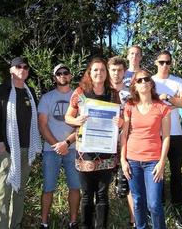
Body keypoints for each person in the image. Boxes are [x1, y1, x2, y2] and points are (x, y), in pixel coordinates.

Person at [65, 57, 124, 229]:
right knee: (86, 194)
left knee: (103, 194)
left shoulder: (113, 94)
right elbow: (68, 117)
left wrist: (120, 124)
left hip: (106, 151)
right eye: (95, 70)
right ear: (89, 73)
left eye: (102, 70)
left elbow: (121, 120)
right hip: (86, 152)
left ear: (107, 73)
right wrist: (78, 121)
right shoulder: (80, 93)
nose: (99, 73)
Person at [0, 57, 41, 229]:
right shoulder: (1, 90)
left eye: (26, 67)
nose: (23, 69)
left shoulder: (30, 92)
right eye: (19, 66)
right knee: (3, 191)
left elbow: (34, 120)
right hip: (7, 149)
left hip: (26, 148)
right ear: (11, 70)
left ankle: (15, 225)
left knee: (19, 191)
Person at [120, 69, 171, 229]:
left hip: (153, 162)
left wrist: (162, 163)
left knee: (155, 204)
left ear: (151, 83)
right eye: (139, 80)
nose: (143, 82)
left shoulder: (162, 107)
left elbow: (167, 137)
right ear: (134, 85)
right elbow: (124, 134)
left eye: (146, 79)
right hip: (132, 161)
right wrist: (123, 160)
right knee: (137, 201)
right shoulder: (129, 106)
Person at [38, 64, 80, 229]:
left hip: (74, 148)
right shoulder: (47, 98)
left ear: (70, 76)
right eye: (59, 73)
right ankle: (44, 223)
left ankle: (73, 221)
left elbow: (81, 127)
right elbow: (42, 125)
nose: (63, 75)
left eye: (66, 72)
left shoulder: (78, 98)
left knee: (75, 186)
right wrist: (57, 145)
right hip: (51, 150)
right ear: (54, 78)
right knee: (48, 187)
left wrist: (67, 143)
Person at [150, 51, 182, 227]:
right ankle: (160, 208)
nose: (165, 65)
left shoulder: (177, 80)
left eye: (168, 62)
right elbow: (147, 104)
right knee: (158, 173)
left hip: (176, 133)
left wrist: (169, 99)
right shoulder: (149, 81)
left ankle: (177, 209)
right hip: (155, 134)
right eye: (162, 62)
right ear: (156, 63)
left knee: (176, 173)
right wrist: (166, 103)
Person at [107, 56, 136, 228]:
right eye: (113, 70)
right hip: (103, 143)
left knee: (129, 181)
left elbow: (137, 117)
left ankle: (134, 220)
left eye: (119, 70)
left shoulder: (131, 93)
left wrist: (124, 123)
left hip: (126, 142)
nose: (116, 73)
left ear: (124, 71)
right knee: (101, 182)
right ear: (108, 71)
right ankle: (101, 219)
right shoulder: (100, 91)